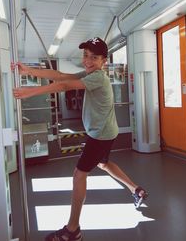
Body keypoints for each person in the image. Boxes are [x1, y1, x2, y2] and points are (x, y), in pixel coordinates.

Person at [13, 37, 148, 241]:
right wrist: (29, 71)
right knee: (103, 164)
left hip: (100, 135)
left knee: (79, 175)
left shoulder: (98, 77)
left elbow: (65, 85)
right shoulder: (89, 73)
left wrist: (31, 92)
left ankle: (73, 230)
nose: (88, 60)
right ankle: (136, 190)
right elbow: (59, 75)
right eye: (85, 56)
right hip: (106, 131)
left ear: (104, 61)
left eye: (94, 57)